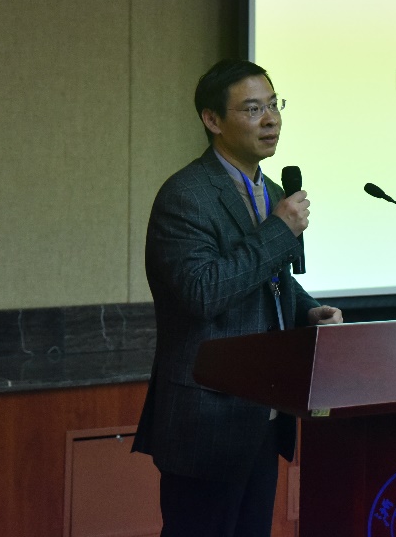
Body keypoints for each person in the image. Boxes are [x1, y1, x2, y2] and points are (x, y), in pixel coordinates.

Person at [132, 59, 343, 537]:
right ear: (212, 120)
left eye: (274, 105)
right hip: (207, 417)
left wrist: (307, 309)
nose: (270, 120)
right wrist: (279, 231)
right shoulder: (186, 195)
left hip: (263, 411)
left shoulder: (271, 191)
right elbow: (201, 292)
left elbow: (270, 280)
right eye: (252, 109)